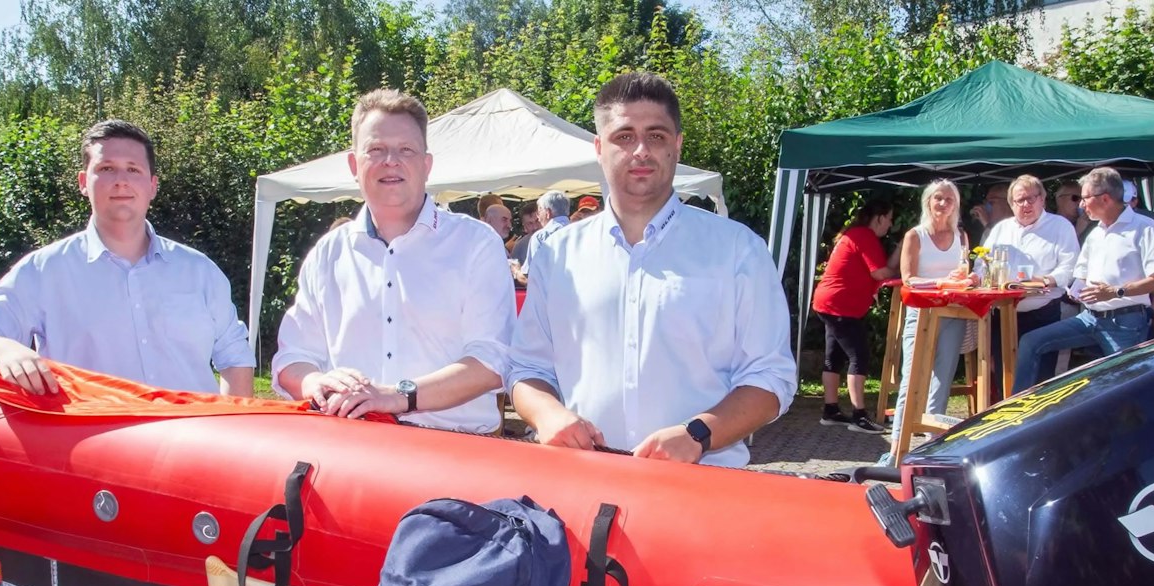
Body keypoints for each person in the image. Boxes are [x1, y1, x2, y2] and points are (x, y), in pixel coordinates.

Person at [507, 72, 795, 468]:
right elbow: (526, 368)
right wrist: (547, 414)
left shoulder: (737, 250)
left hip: (699, 488)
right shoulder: (557, 254)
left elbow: (771, 378)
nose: (640, 150)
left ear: (676, 145)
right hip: (584, 479)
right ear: (599, 147)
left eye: (656, 136)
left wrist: (698, 434)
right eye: (624, 136)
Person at [272, 89, 513, 432]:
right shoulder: (327, 254)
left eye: (406, 150)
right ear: (354, 165)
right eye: (376, 150)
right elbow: (291, 359)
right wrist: (315, 383)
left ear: (426, 165)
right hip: (351, 450)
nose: (391, 161)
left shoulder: (476, 244)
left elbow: (492, 362)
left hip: (456, 454)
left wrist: (396, 395)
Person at [0, 119, 254, 397]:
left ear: (153, 186)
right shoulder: (44, 271)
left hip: (191, 445)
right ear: (83, 182)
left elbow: (235, 356)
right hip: (93, 447)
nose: (121, 181)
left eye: (133, 169)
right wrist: (4, 348)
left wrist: (238, 434)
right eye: (107, 168)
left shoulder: (199, 271)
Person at [1010, 167, 1154, 393]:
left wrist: (1116, 291)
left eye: (1084, 198)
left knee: (1128, 390)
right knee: (1030, 342)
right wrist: (1074, 289)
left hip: (1126, 321)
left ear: (1104, 198)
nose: (1081, 205)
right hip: (1089, 318)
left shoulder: (1144, 227)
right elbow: (1081, 276)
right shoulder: (1095, 233)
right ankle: (1019, 416)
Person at [884, 179, 973, 457]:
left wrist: (965, 279)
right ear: (928, 202)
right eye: (938, 198)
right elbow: (908, 279)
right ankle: (897, 450)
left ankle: (932, 450)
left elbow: (964, 272)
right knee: (911, 380)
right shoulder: (915, 235)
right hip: (921, 314)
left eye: (949, 199)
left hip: (954, 312)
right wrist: (943, 281)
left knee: (943, 379)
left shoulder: (962, 236)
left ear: (956, 204)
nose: (943, 204)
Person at [980, 175, 1081, 387]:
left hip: (1042, 315)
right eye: (1020, 200)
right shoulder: (1000, 229)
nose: (1026, 204)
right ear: (1011, 204)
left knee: (1040, 382)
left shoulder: (1060, 226)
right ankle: (1006, 419)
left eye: (1031, 198)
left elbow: (1070, 266)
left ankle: (1039, 421)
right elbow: (982, 263)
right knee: (1004, 377)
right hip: (1003, 314)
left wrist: (1047, 280)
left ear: (1042, 199)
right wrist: (976, 276)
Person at [810, 196, 897, 432]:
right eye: (888, 219)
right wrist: (900, 255)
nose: (890, 225)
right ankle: (859, 416)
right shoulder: (864, 236)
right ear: (878, 218)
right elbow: (880, 272)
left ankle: (831, 410)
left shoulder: (855, 234)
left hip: (829, 302)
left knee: (834, 357)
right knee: (859, 356)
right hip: (841, 306)